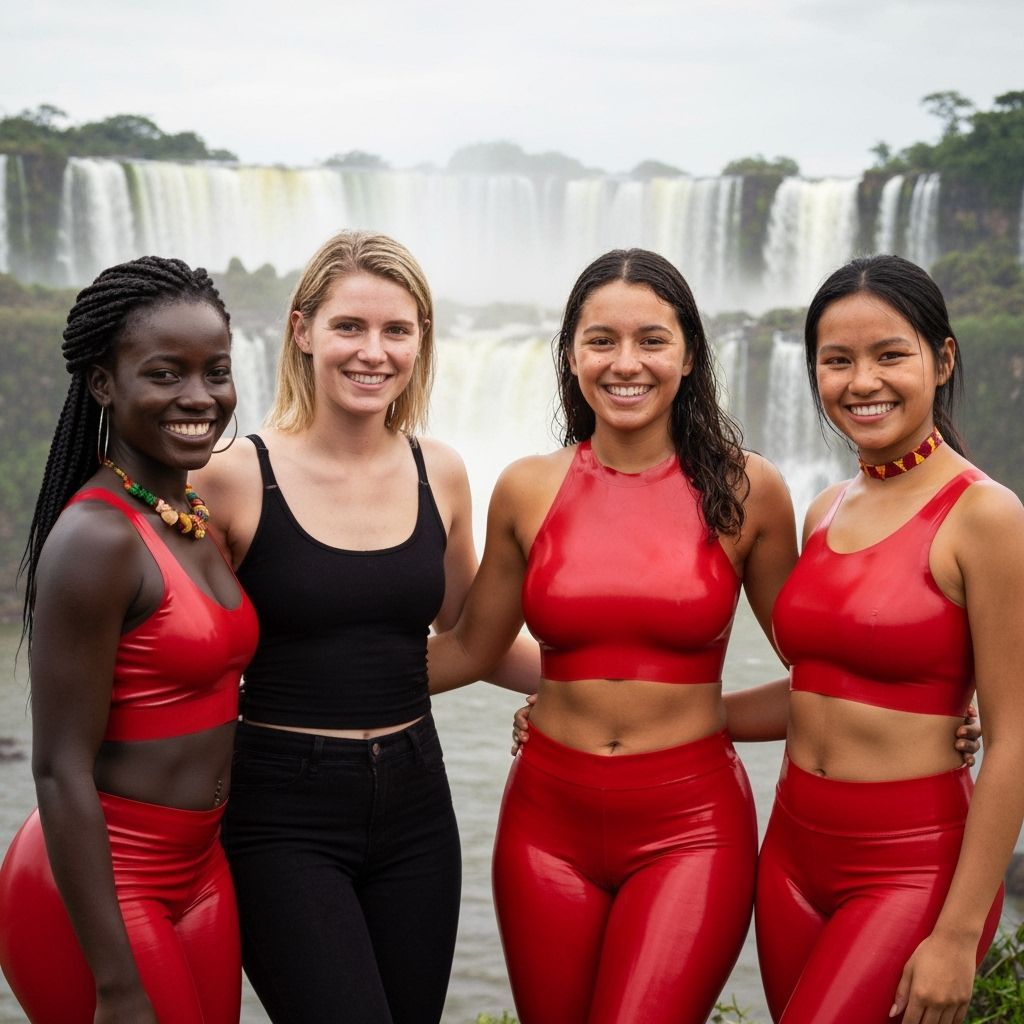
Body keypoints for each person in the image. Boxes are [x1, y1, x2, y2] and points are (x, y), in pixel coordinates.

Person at [427, 247, 800, 1024]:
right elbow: (470, 647)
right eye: (601, 340)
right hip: (543, 826)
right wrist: (295, 684)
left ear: (689, 353)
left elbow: (824, 663)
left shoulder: (748, 490)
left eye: (652, 340)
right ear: (570, 353)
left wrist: (934, 707)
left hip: (691, 828)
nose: (625, 363)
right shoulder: (527, 486)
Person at [193, 230, 533, 1024]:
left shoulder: (439, 471)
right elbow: (178, 658)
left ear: (421, 342)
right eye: (350, 326)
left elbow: (470, 631)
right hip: (281, 813)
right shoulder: (230, 477)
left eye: (396, 330)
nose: (372, 352)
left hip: (418, 803)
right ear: (302, 330)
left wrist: (602, 690)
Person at [755, 254, 1024, 1023]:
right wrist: (595, 713)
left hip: (909, 868)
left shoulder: (985, 516)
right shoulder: (825, 509)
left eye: (890, 355)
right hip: (792, 856)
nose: (861, 382)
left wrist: (958, 931)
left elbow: (1013, 737)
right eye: (837, 361)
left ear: (941, 360)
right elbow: (818, 689)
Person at [0, 257, 258, 1023]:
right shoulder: (97, 541)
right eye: (165, 373)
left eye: (216, 371)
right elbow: (57, 769)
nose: (199, 398)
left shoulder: (189, 513)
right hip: (108, 880)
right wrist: (116, 985)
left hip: (201, 868)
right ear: (104, 384)